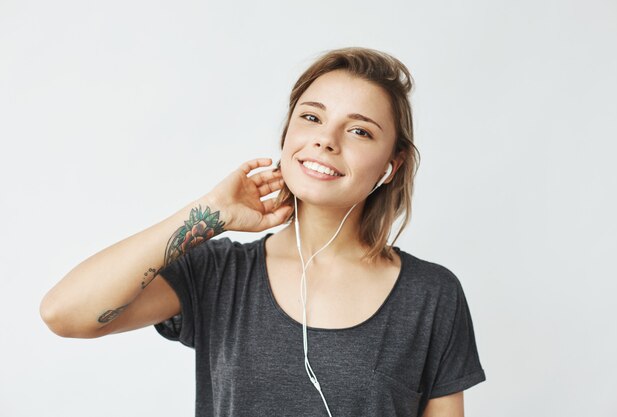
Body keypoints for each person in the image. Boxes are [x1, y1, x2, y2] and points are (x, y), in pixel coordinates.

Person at [40, 47, 486, 417]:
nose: (326, 140)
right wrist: (207, 213)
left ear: (392, 166)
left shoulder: (431, 296)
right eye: (311, 118)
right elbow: (65, 313)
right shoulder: (220, 274)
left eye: (358, 130)